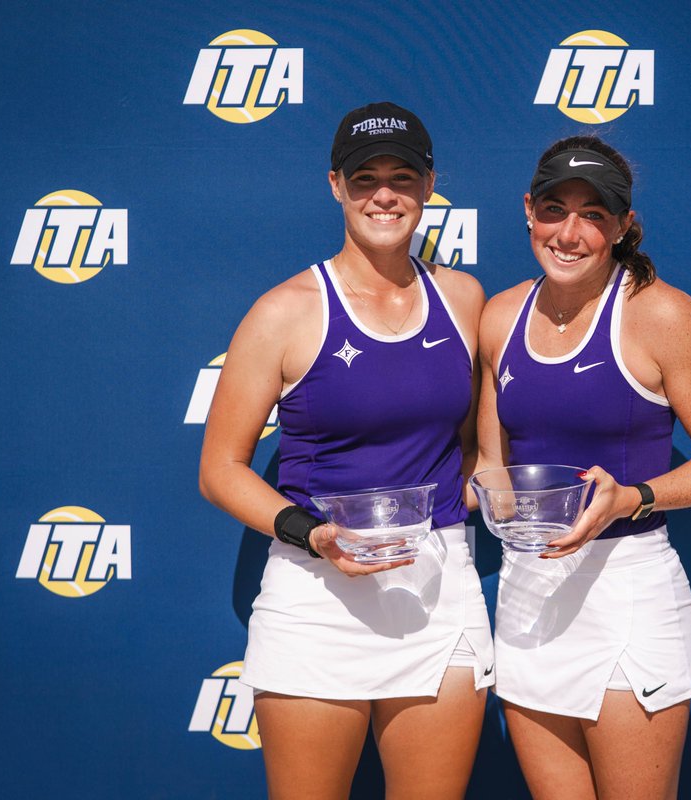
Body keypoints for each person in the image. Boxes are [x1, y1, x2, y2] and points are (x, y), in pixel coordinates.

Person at [199, 101, 493, 800]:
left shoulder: (463, 298)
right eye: (365, 178)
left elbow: (475, 448)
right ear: (336, 185)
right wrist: (314, 533)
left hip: (438, 591)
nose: (383, 194)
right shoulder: (285, 311)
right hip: (315, 595)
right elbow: (220, 469)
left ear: (428, 185)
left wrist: (504, 499)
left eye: (401, 175)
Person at [474, 135, 691, 800]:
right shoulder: (501, 314)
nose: (569, 233)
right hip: (528, 593)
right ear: (528, 212)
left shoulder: (660, 313)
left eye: (593, 215)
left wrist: (633, 497)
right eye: (554, 209)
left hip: (626, 592)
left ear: (623, 226)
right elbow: (492, 466)